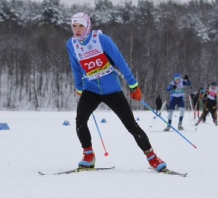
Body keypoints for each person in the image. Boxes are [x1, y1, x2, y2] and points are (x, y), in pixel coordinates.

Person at [66, 12, 166, 171]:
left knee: (131, 125)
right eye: (74, 26)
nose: (77, 29)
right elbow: (76, 67)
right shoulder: (71, 44)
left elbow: (120, 62)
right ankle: (88, 155)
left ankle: (152, 157)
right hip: (90, 89)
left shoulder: (102, 40)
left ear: (88, 26)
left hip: (111, 90)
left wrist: (134, 85)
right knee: (80, 121)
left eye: (80, 26)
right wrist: (79, 87)